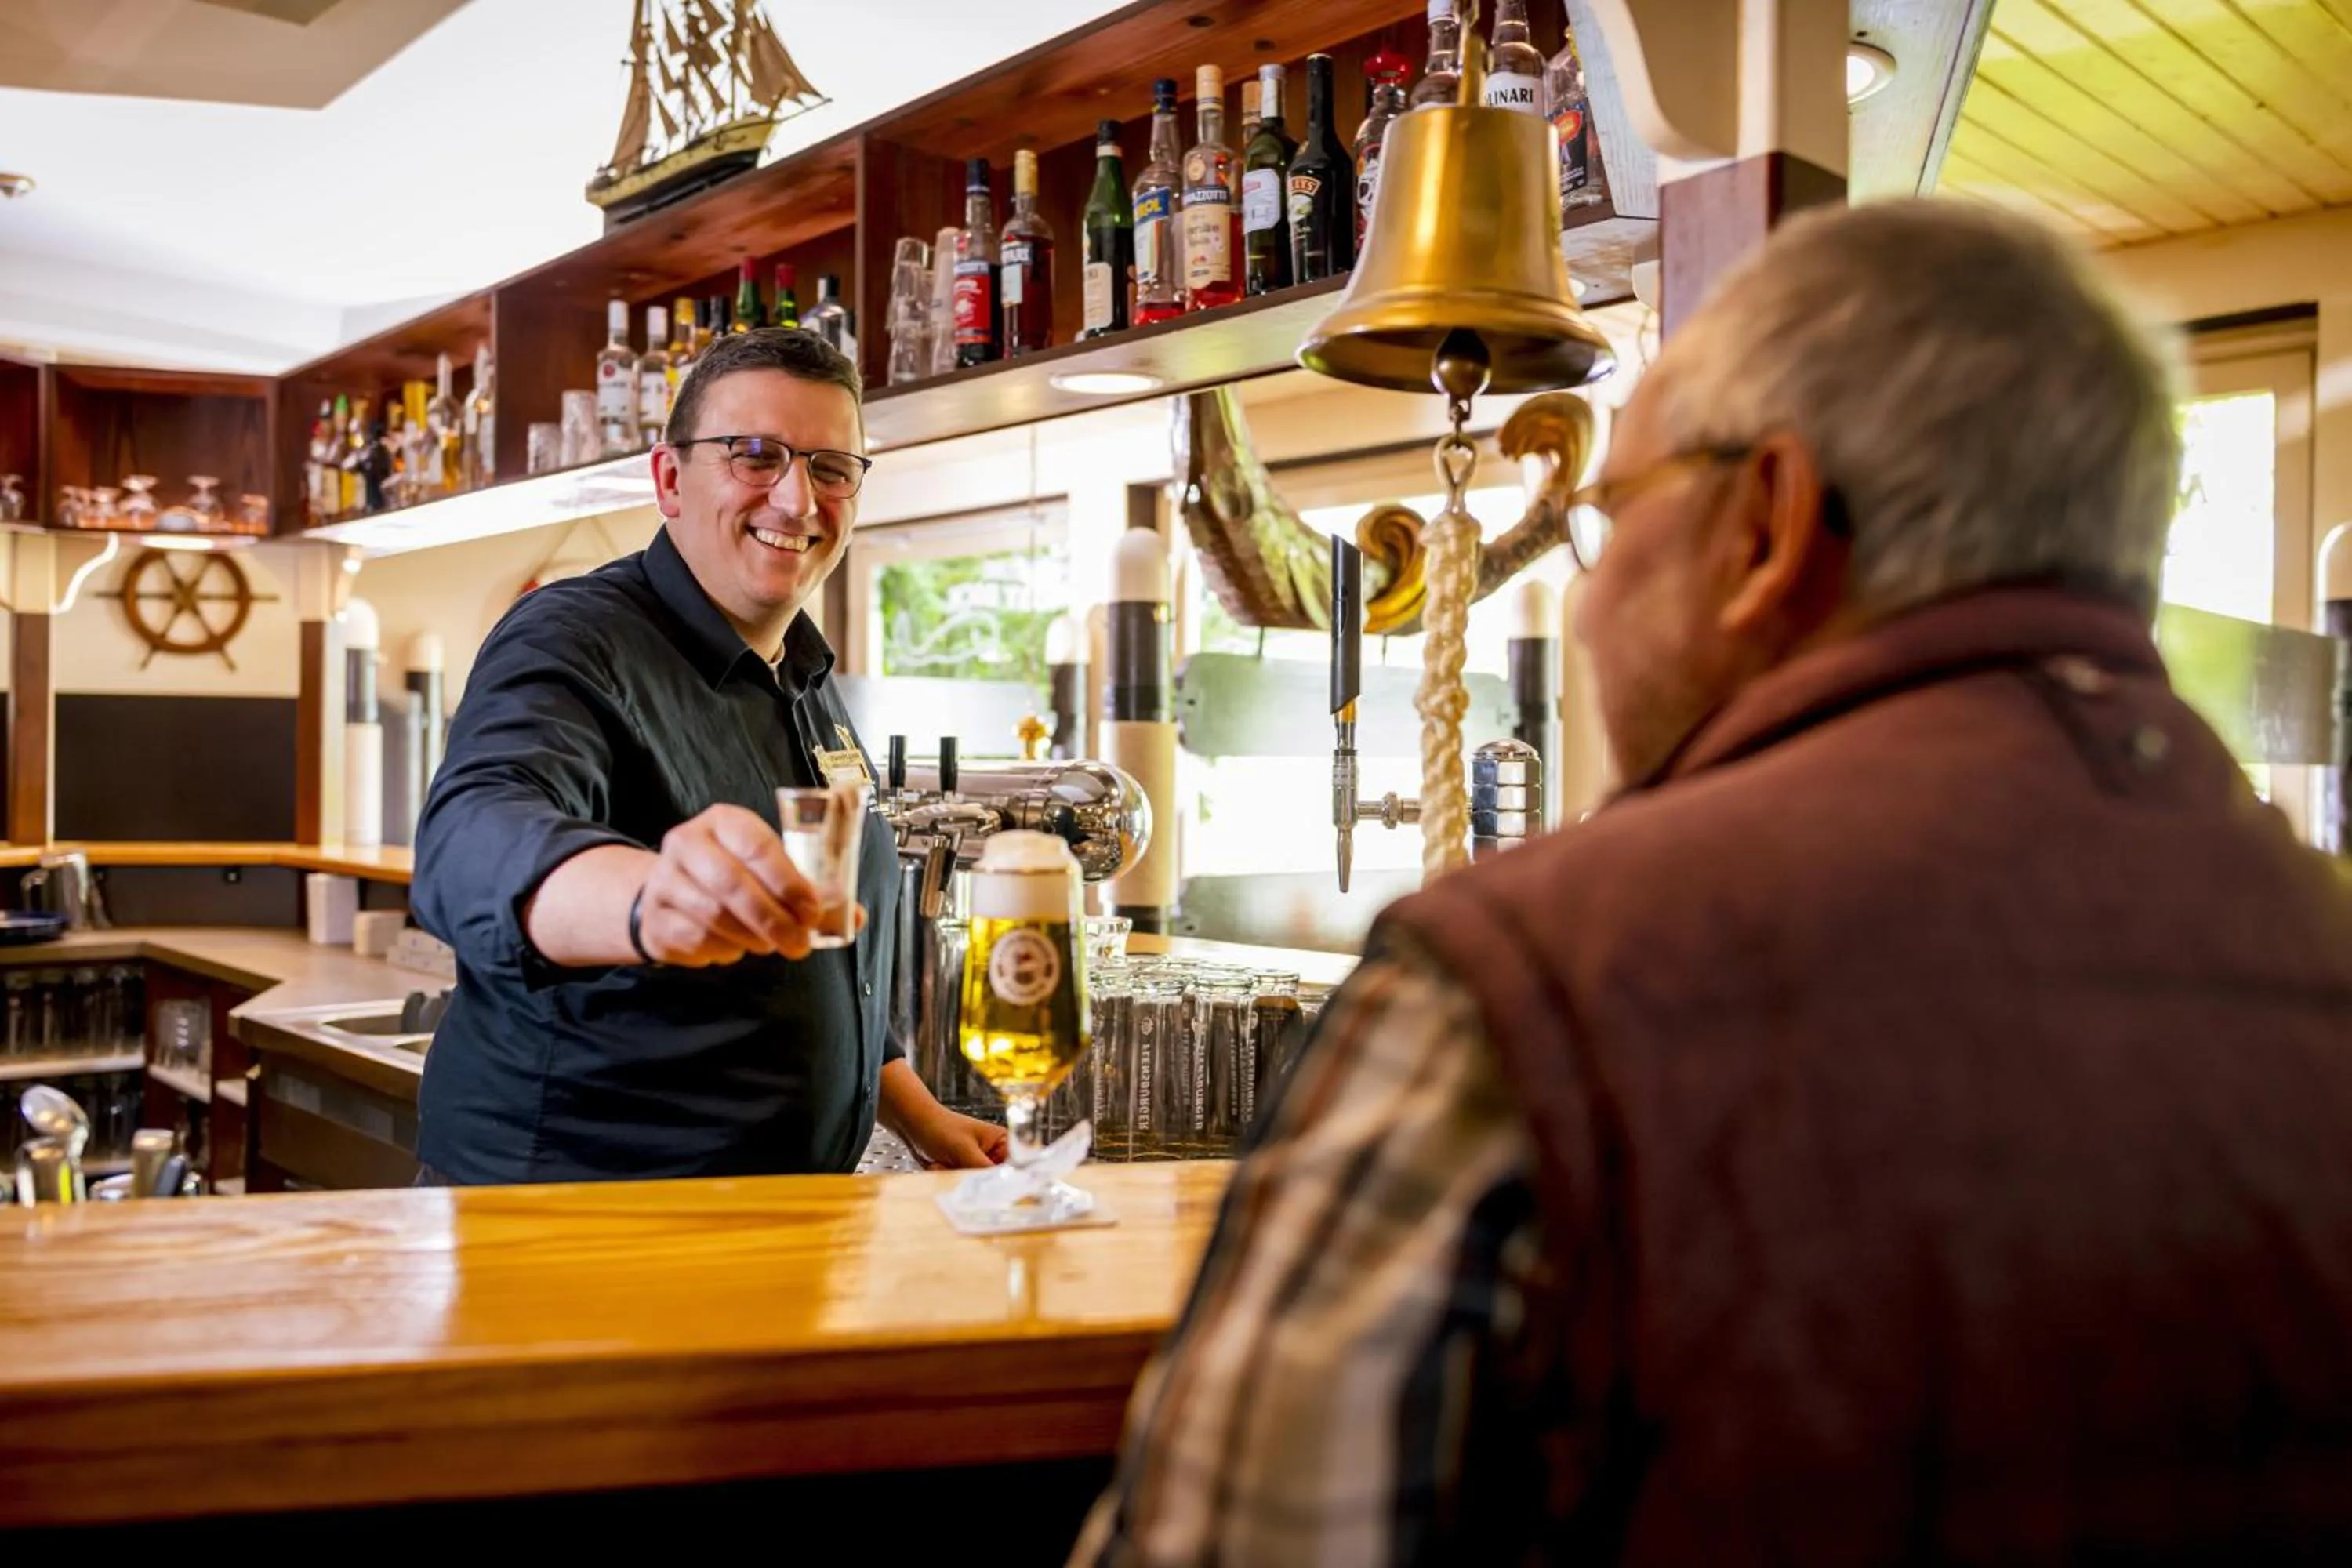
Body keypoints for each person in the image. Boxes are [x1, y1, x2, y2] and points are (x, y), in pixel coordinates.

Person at [1073, 201, 2352, 1564]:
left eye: (1611, 509)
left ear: (1770, 526)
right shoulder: (2318, 946)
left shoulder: (1518, 990)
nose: (1595, 577)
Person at [412, 328, 1004, 1185]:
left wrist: (918, 1112)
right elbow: (475, 832)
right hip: (573, 1223)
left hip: (770, 1220)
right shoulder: (574, 636)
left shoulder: (800, 669)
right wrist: (652, 899)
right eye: (755, 456)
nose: (798, 499)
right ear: (668, 480)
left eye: (832, 467)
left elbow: (827, 963)